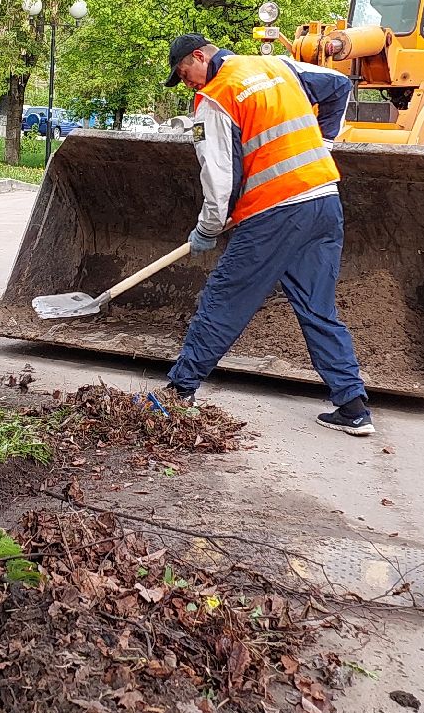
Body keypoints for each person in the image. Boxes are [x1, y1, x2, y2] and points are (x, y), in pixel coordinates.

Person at [152, 33, 376, 436]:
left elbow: (219, 179)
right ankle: (353, 407)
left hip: (274, 213)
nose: (187, 84)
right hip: (323, 201)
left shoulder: (215, 99)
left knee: (224, 299)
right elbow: (339, 85)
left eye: (185, 75)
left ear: (199, 56)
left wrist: (207, 228)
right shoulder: (276, 65)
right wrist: (324, 142)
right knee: (318, 309)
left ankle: (179, 391)